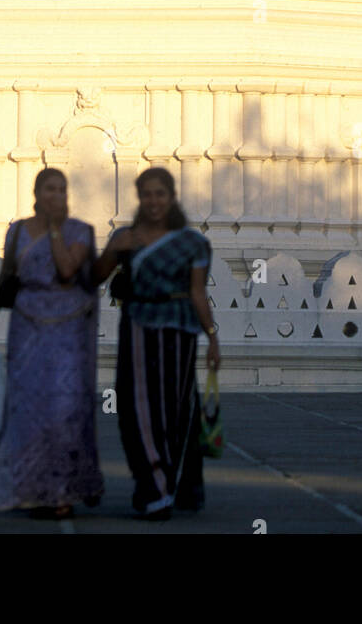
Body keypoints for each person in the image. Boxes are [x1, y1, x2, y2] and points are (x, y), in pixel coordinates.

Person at [93, 167, 221, 520]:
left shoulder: (191, 243)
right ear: (140, 198)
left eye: (160, 193)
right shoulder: (125, 238)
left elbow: (197, 292)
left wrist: (212, 338)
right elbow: (95, 277)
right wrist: (112, 251)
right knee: (136, 411)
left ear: (171, 197)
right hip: (137, 329)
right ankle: (152, 487)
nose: (153, 201)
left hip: (178, 332)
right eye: (147, 194)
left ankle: (164, 488)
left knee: (175, 410)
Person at [0, 168, 103, 518]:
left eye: (62, 189)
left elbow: (67, 271)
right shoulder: (17, 230)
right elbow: (7, 276)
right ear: (35, 193)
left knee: (65, 409)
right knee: (27, 409)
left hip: (69, 333)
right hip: (27, 329)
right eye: (49, 189)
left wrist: (53, 229)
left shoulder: (80, 231)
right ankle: (31, 489)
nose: (56, 195)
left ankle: (62, 491)